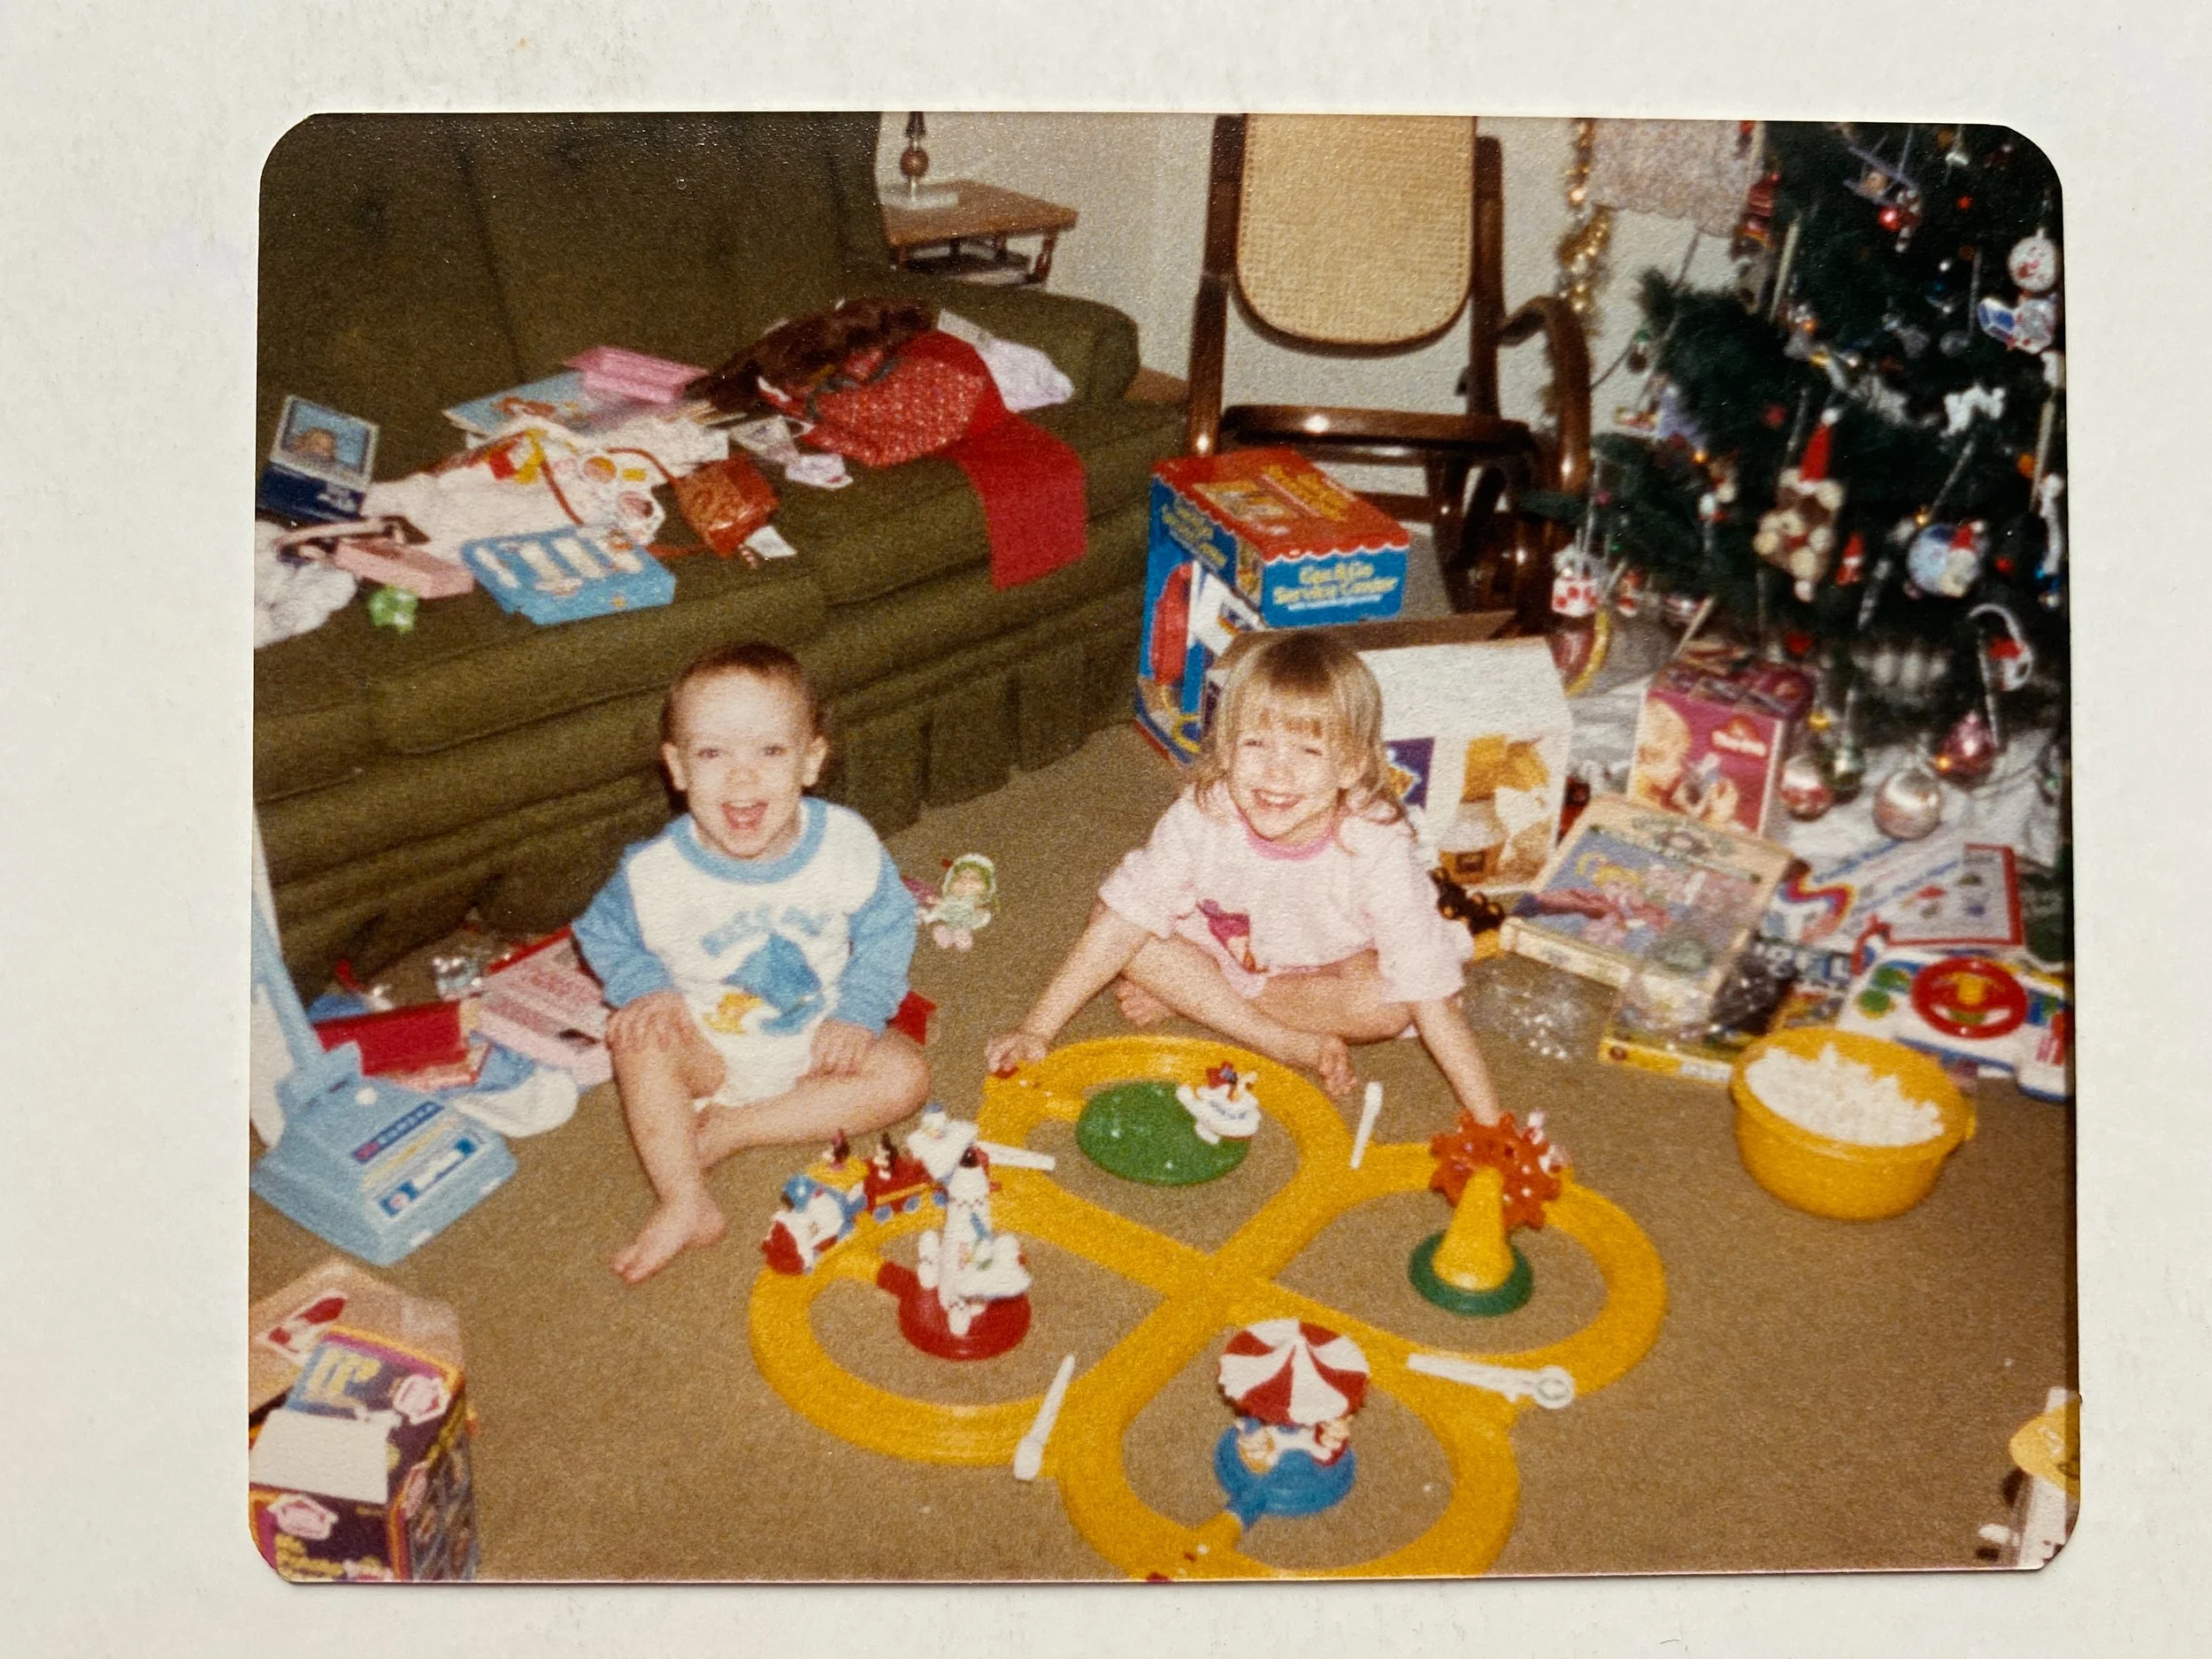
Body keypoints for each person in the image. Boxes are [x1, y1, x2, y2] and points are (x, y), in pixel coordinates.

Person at [985, 630, 1502, 1124]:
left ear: (1350, 768)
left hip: (1321, 968)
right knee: (1114, 918)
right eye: (1256, 745)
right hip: (1218, 947)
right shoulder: (1204, 815)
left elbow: (1428, 995)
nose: (1278, 774)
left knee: (1390, 1006)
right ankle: (1273, 1037)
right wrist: (1036, 1029)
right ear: (1226, 750)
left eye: (1308, 752)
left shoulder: (1378, 847)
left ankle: (1195, 994)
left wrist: (1494, 1124)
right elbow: (1121, 923)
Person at [575, 641, 929, 1282]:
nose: (742, 777)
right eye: (713, 753)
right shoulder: (655, 872)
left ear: (810, 760)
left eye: (769, 751)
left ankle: (738, 1129)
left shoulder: (845, 843)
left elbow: (889, 923)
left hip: (815, 1041)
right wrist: (645, 987)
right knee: (634, 1041)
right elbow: (599, 932)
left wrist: (857, 1011)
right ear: (678, 768)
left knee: (906, 1078)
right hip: (704, 1047)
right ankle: (685, 1201)